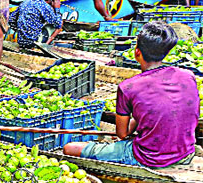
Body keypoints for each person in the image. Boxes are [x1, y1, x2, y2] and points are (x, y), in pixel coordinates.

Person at [63, 21, 198, 168]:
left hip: (148, 158)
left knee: (70, 148)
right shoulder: (188, 75)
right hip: (185, 152)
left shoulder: (128, 87)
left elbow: (122, 134)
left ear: (137, 52)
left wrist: (134, 121)